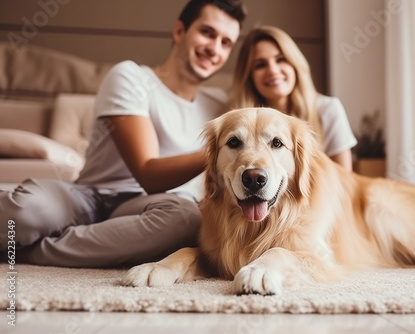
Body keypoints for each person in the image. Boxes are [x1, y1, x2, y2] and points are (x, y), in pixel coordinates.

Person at [0, 0, 247, 267]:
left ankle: (31, 253)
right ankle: (76, 239)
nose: (214, 48)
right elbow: (147, 173)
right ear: (180, 31)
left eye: (226, 43)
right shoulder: (130, 77)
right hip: (89, 197)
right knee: (27, 212)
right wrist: (222, 148)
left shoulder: (221, 105)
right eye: (207, 33)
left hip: (152, 209)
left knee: (185, 218)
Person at [231, 26, 356, 169]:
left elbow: (344, 179)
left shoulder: (328, 109)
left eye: (281, 59)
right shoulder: (235, 126)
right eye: (260, 65)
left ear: (295, 64)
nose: (273, 70)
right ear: (249, 77)